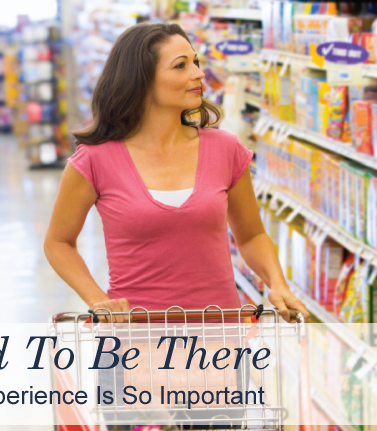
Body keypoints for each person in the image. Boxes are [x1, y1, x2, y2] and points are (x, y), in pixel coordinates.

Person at [44, 22, 307, 323]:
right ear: (141, 80)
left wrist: (277, 283)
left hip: (219, 335)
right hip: (134, 337)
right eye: (180, 66)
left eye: (196, 62)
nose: (198, 73)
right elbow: (58, 242)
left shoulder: (225, 149)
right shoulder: (95, 159)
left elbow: (251, 236)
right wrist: (98, 300)